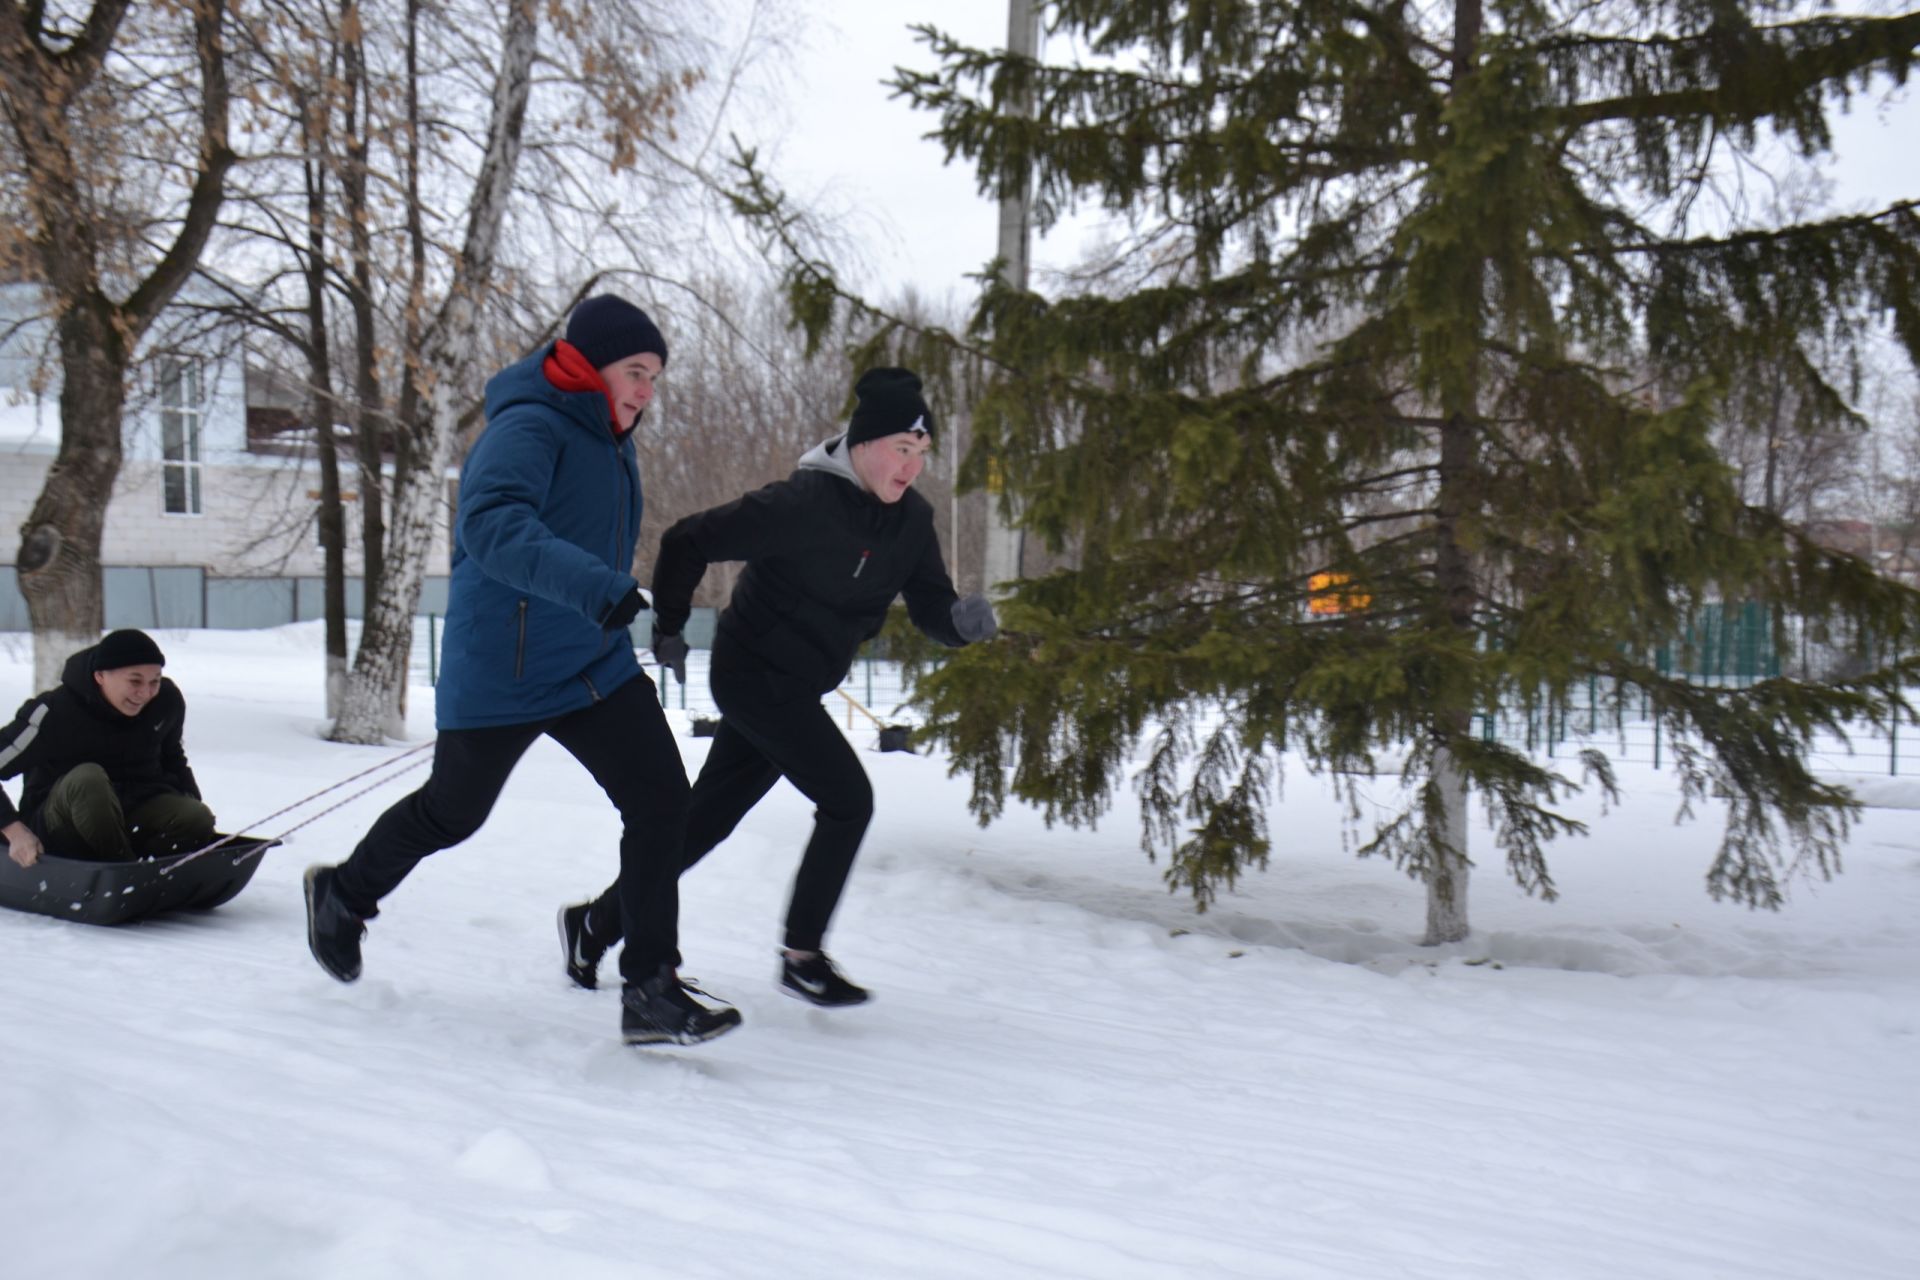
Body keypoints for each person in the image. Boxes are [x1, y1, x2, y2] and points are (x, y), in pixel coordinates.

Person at [301, 293, 739, 1047]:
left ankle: (651, 988)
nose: (645, 390)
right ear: (589, 364)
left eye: (655, 377)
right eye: (635, 371)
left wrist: (641, 614)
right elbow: (493, 522)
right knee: (453, 813)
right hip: (503, 665)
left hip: (591, 664)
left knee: (664, 803)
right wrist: (597, 588)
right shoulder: (531, 424)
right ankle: (343, 893)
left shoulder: (609, 434)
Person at [557, 366, 999, 1005]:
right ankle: (802, 954)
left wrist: (958, 624)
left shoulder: (911, 523)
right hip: (753, 676)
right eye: (903, 449)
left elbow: (931, 602)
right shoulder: (802, 505)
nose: (912, 467)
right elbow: (689, 540)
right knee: (848, 800)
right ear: (864, 444)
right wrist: (672, 626)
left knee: (703, 823)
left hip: (799, 686)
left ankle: (594, 924)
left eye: (922, 454)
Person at [1, 629, 216, 868]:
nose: (145, 693)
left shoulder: (166, 701)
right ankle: (125, 871)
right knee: (88, 778)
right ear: (100, 676)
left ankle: (156, 867)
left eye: (154, 681)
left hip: (131, 810)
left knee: (196, 818)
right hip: (61, 826)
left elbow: (172, 757)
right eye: (135, 681)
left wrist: (196, 817)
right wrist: (14, 831)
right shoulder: (54, 712)